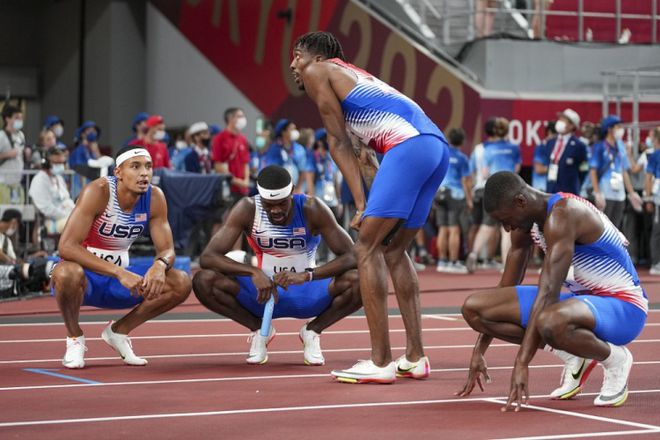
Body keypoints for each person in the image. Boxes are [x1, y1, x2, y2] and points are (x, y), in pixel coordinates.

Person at [291, 31, 448, 383]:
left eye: (297, 55)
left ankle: (380, 362)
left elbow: (336, 141)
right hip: (434, 148)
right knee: (393, 250)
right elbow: (366, 159)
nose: (293, 65)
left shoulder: (320, 71)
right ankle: (415, 356)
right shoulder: (356, 81)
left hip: (408, 147)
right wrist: (375, 205)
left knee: (365, 248)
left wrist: (361, 205)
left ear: (316, 57)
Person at [458, 171, 647, 409]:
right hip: (580, 303)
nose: (507, 228)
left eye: (506, 219)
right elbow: (505, 289)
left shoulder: (564, 214)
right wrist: (479, 350)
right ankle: (574, 354)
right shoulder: (524, 223)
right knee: (475, 309)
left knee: (549, 320)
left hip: (624, 308)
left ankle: (616, 360)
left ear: (520, 201)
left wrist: (522, 363)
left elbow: (548, 293)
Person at [192, 165, 361, 366]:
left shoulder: (311, 208)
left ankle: (312, 331)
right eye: (269, 204)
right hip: (262, 293)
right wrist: (252, 271)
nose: (275, 210)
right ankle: (259, 330)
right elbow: (208, 257)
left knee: (362, 281)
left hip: (306, 291)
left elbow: (352, 256)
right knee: (203, 280)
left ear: (292, 193)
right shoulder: (248, 208)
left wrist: (307, 275)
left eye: (281, 204)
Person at [51, 145, 191, 369]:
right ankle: (75, 338)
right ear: (118, 172)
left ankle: (119, 332)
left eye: (148, 166)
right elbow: (66, 247)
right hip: (86, 279)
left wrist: (160, 264)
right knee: (66, 272)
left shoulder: (155, 197)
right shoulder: (98, 191)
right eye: (135, 167)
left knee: (181, 282)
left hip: (121, 279)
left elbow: (168, 249)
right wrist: (118, 271)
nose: (144, 173)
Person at [467, 117, 520, 271]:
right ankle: (506, 265)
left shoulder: (486, 149)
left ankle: (473, 254)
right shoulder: (514, 148)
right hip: (509, 189)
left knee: (486, 226)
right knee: (506, 230)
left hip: (489, 189)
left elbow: (484, 173)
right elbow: (516, 169)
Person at [590, 115, 641, 229]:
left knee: (616, 228)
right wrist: (597, 192)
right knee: (603, 228)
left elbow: (624, 171)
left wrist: (631, 193)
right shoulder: (599, 147)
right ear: (609, 129)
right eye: (618, 126)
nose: (621, 129)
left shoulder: (621, 146)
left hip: (620, 195)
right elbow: (593, 171)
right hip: (605, 193)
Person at [435, 128, 472, 274]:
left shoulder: (441, 154)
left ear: (448, 140)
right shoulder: (462, 158)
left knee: (442, 229)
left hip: (440, 193)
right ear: (462, 141)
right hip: (455, 195)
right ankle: (453, 262)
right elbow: (465, 181)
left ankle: (442, 261)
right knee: (454, 229)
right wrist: (469, 200)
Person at [28, 148, 75, 234]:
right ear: (47, 163)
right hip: (50, 221)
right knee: (77, 224)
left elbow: (66, 199)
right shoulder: (39, 180)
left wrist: (74, 211)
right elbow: (46, 209)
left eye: (62, 163)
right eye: (57, 163)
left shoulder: (59, 178)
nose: (61, 166)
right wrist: (68, 215)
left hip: (65, 216)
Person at [544, 109, 588, 195]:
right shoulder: (550, 142)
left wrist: (576, 183)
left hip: (569, 191)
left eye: (564, 120)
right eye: (560, 119)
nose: (560, 122)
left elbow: (584, 169)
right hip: (551, 189)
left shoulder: (579, 145)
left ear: (572, 125)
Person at [211, 108, 251, 200]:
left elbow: (246, 163)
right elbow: (218, 167)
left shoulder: (243, 139)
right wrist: (238, 182)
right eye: (240, 116)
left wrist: (246, 181)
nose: (243, 119)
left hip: (243, 190)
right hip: (228, 189)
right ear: (230, 119)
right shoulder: (219, 139)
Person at [0, 105, 26, 205]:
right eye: (16, 117)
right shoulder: (1, 136)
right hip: (3, 183)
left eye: (21, 118)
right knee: (4, 216)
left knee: (18, 215)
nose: (19, 120)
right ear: (7, 119)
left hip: (17, 183)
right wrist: (7, 154)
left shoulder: (21, 135)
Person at [645, 127, 660, 275]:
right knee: (657, 230)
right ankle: (656, 263)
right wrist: (649, 198)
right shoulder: (655, 155)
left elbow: (648, 178)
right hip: (658, 198)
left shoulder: (655, 154)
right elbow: (649, 177)